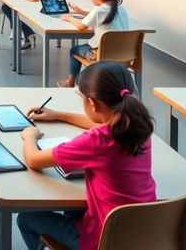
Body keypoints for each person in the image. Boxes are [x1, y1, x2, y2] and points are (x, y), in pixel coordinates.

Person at [18, 61, 156, 250]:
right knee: (72, 209)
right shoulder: (139, 126)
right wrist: (59, 115)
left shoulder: (95, 141)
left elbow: (34, 160)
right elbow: (102, 124)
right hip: (142, 233)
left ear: (92, 103)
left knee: (26, 218)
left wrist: (29, 136)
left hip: (102, 240)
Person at [58, 0, 128, 88]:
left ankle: (70, 82)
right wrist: (81, 11)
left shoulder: (98, 10)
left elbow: (81, 27)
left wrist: (69, 18)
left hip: (100, 53)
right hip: (124, 53)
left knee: (73, 50)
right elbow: (99, 15)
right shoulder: (121, 9)